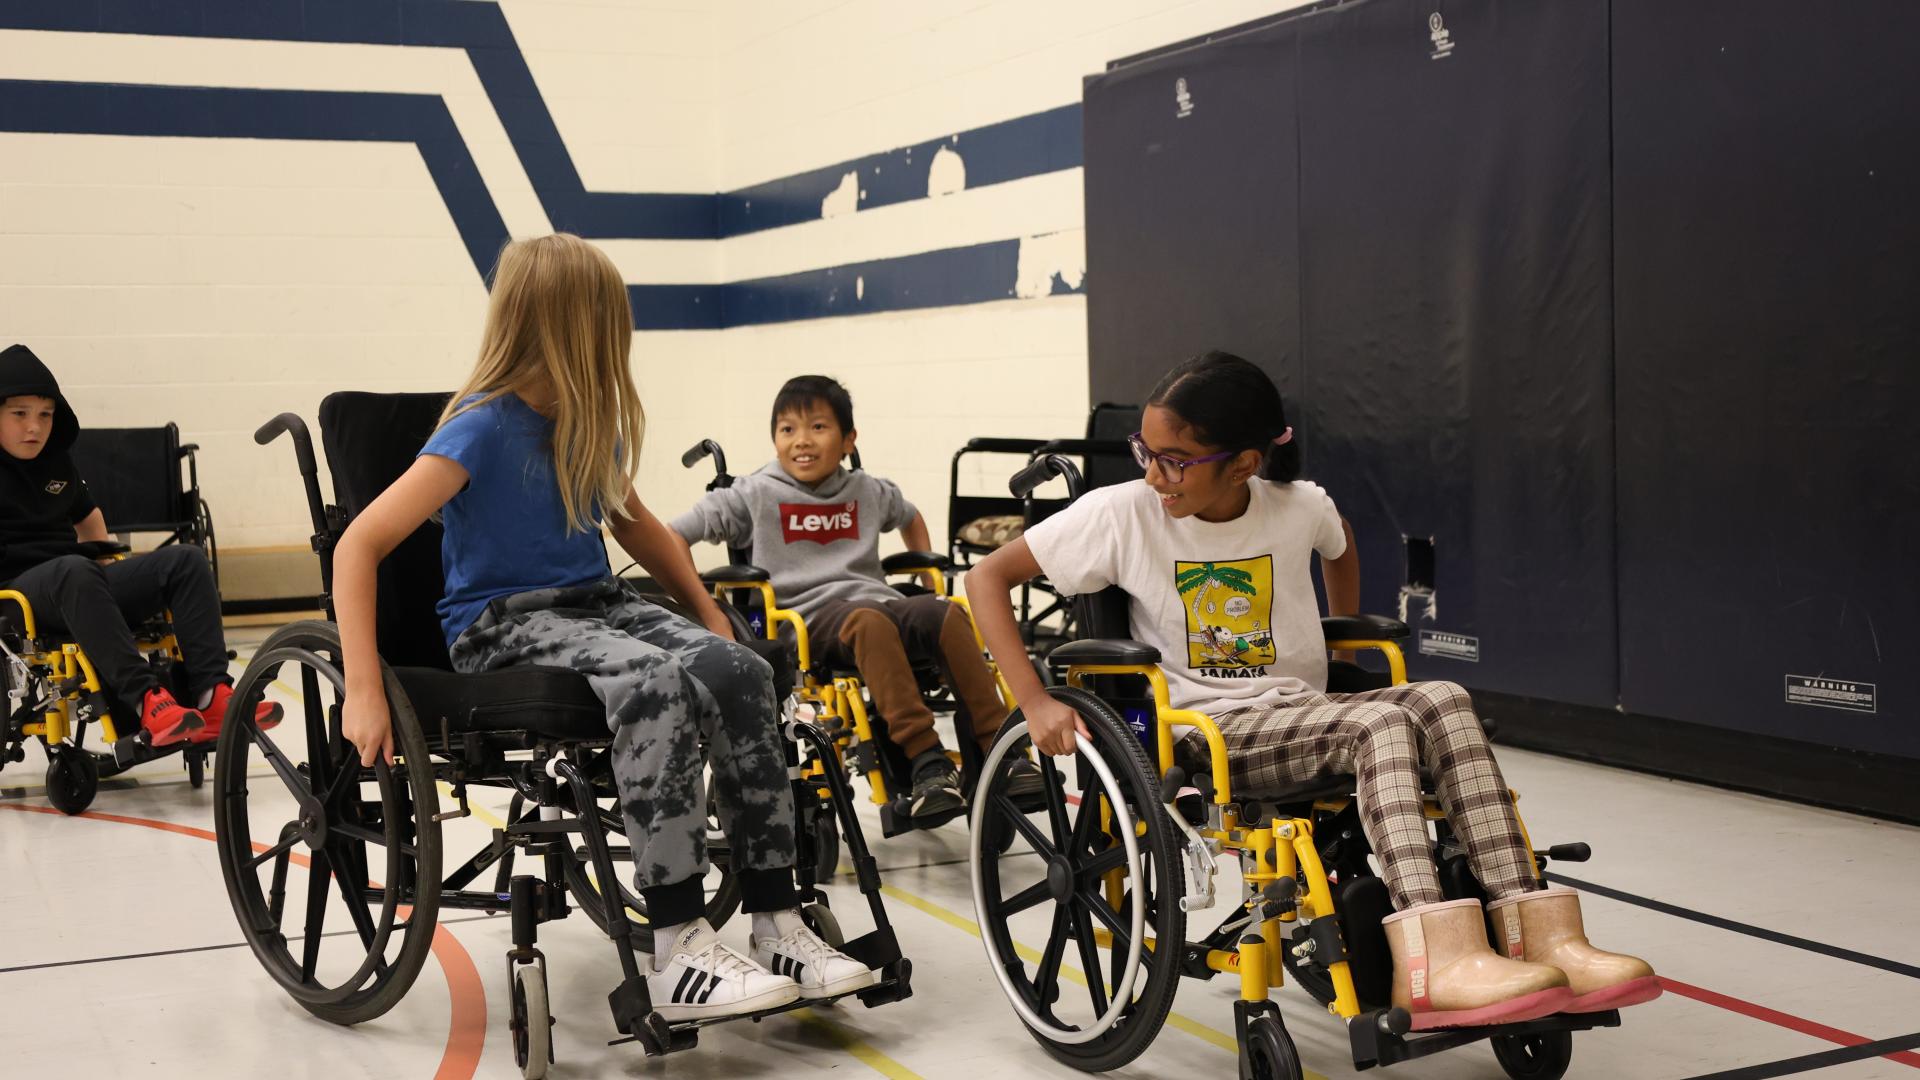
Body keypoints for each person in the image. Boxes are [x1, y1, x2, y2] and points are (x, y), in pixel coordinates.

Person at [964, 350, 1658, 1029]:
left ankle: (1536, 934)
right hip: (1210, 733)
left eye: (1174, 460)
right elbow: (985, 579)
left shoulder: (1297, 506)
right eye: (1144, 451)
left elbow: (1340, 540)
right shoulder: (1119, 514)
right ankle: (1436, 962)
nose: (1154, 474)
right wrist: (1034, 701)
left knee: (1443, 697)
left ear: (1244, 462)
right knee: (1378, 726)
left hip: (1302, 714)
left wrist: (1337, 642)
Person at [330, 234, 871, 1022]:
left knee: (741, 670)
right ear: (566, 324)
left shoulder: (587, 424)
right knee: (652, 683)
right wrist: (363, 687)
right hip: (501, 624)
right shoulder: (478, 428)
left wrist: (712, 618)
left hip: (595, 603)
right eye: (610, 319)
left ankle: (777, 918)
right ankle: (679, 943)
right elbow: (359, 546)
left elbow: (643, 529)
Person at [671, 375, 1041, 826]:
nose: (801, 442)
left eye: (818, 428)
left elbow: (911, 516)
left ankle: (1004, 750)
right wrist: (709, 612)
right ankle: (927, 765)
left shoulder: (865, 489)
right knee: (869, 621)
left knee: (945, 612)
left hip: (876, 603)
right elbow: (673, 535)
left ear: (849, 439)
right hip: (807, 618)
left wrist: (925, 586)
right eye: (787, 430)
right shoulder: (753, 494)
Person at [0, 343, 274, 749]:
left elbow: (88, 517)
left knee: (186, 560)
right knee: (74, 572)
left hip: (78, 582)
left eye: (45, 414)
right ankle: (148, 700)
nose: (34, 427)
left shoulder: (56, 462)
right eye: (19, 414)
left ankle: (212, 696)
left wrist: (109, 568)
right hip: (18, 593)